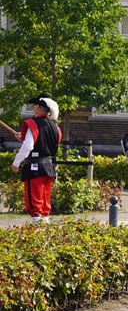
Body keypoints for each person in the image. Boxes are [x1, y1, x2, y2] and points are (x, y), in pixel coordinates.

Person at [12, 95, 62, 223]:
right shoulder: (55, 127)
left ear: (39, 107)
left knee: (34, 200)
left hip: (35, 168)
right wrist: (24, 137)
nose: (33, 108)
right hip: (48, 167)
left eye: (34, 106)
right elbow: (46, 142)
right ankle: (45, 224)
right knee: (45, 199)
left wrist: (16, 163)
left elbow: (29, 145)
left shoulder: (32, 123)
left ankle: (36, 227)